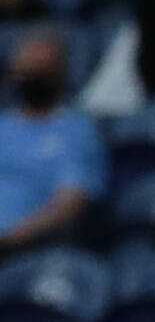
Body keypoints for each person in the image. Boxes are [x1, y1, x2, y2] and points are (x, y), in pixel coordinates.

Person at [0, 29, 104, 255]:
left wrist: (14, 236)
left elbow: (69, 204)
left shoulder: (77, 132)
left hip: (27, 250)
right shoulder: (3, 127)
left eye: (42, 68)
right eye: (27, 68)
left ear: (61, 72)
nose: (34, 75)